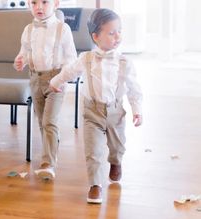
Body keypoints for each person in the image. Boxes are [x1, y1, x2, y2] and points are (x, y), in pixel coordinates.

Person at [50, 8, 143, 204]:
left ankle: (116, 162)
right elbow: (69, 72)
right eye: (111, 33)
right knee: (93, 150)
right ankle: (95, 184)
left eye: (119, 31)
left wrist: (137, 110)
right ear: (95, 37)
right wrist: (56, 82)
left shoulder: (125, 62)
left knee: (117, 146)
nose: (117, 36)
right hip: (92, 111)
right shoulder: (86, 58)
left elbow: (134, 89)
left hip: (115, 112)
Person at [14, 0, 77, 180]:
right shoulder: (28, 30)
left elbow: (71, 59)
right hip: (35, 79)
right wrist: (20, 60)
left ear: (55, 4)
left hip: (56, 80)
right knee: (42, 121)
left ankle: (48, 163)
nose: (39, 7)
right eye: (34, 3)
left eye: (44, 2)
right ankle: (51, 148)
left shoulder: (62, 29)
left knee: (49, 121)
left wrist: (60, 79)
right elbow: (24, 53)